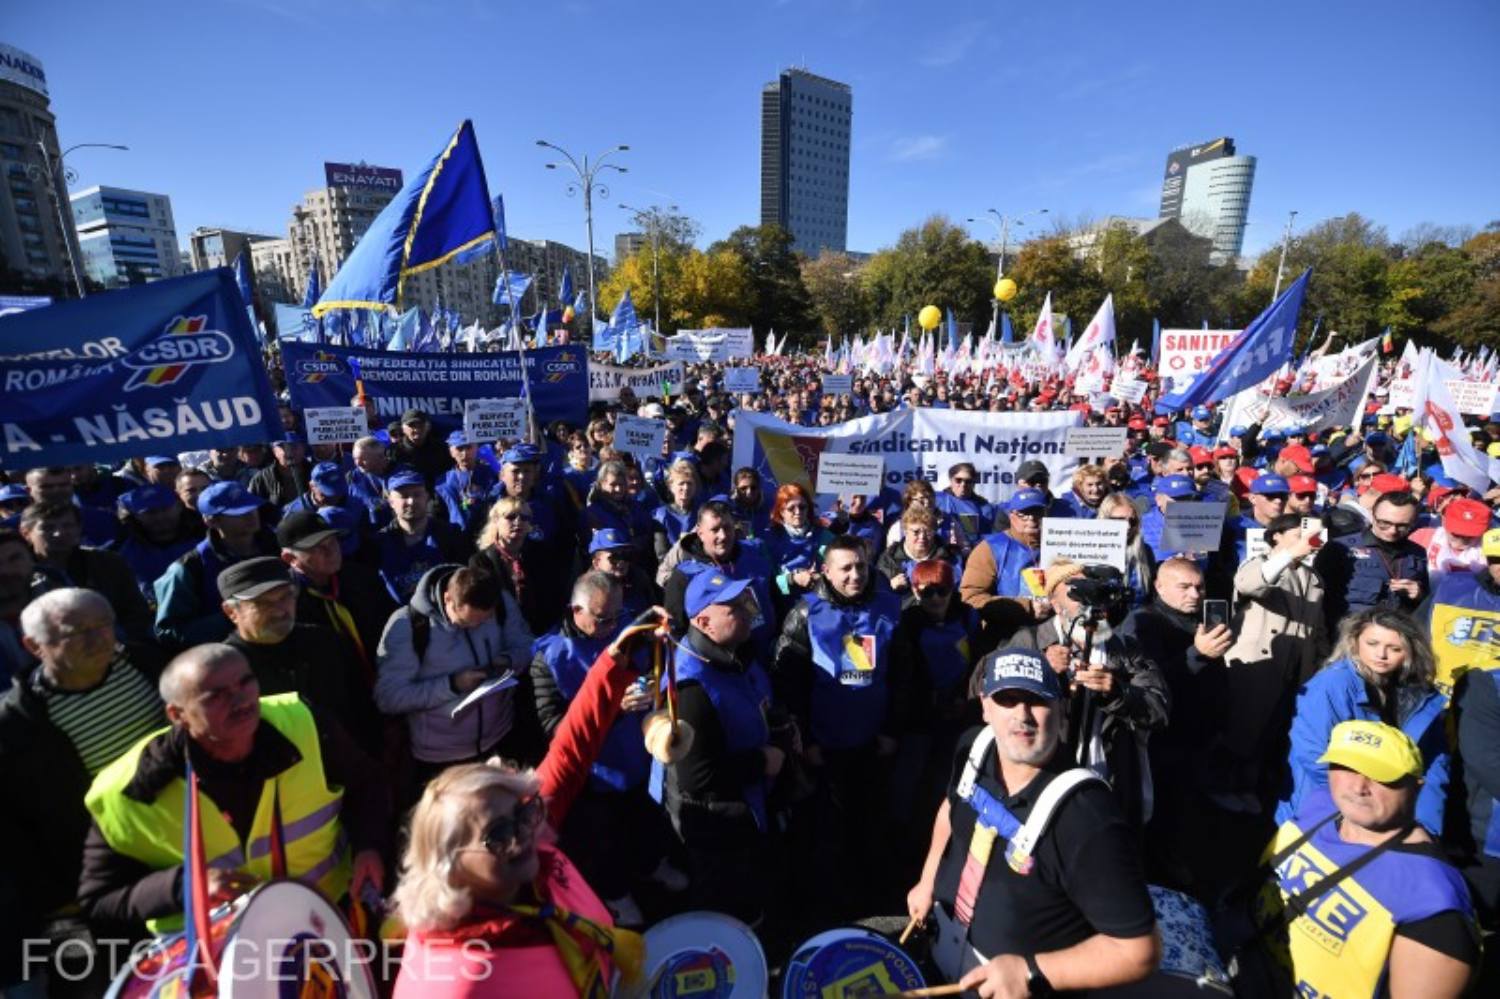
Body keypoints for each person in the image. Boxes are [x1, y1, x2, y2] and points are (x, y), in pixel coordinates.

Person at [389, 611, 668, 997]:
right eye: (497, 834)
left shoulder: (528, 845)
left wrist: (613, 662)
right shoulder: (454, 977)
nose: (523, 833)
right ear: (447, 862)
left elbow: (571, 751)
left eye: (524, 812)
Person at [78, 644, 389, 930]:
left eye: (246, 682)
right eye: (216, 695)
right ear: (177, 714)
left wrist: (369, 846)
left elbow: (368, 785)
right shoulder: (126, 790)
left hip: (327, 918)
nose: (241, 700)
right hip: (223, 954)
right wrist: (186, 887)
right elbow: (99, 898)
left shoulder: (305, 723)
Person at [905, 647, 1159, 992]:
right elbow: (951, 808)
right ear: (984, 705)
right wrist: (927, 880)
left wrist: (1031, 971)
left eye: (1036, 701)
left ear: (1060, 708)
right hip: (942, 955)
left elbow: (1138, 950)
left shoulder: (1088, 817)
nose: (1021, 715)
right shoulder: (973, 749)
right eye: (1007, 699)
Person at [1238, 720, 1478, 998]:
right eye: (1347, 766)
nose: (1359, 786)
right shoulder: (1320, 806)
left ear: (1417, 786)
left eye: (1382, 776)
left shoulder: (1433, 903)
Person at [0, 589, 165, 989]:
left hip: (180, 851)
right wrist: (56, 901)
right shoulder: (15, 725)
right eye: (78, 632)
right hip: (94, 885)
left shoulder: (153, 668)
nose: (99, 639)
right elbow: (13, 830)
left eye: (104, 625)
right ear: (33, 646)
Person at [530, 571, 681, 926]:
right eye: (602, 618)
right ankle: (615, 894)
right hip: (593, 775)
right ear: (575, 610)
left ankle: (651, 866)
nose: (611, 625)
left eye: (617, 615)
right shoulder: (549, 656)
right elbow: (554, 728)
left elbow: (655, 670)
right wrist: (615, 710)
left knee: (644, 821)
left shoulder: (629, 631)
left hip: (637, 757)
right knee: (602, 841)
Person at [773, 534, 909, 920]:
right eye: (845, 568)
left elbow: (903, 676)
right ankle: (828, 909)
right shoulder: (804, 613)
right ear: (827, 572)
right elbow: (789, 685)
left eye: (861, 567)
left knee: (870, 824)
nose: (854, 575)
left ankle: (873, 898)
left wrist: (892, 732)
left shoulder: (889, 608)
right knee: (825, 832)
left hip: (872, 742)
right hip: (824, 747)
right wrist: (807, 742)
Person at [656, 570, 784, 924]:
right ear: (704, 621)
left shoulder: (733, 656)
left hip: (741, 811)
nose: (746, 610)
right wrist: (762, 761)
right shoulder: (691, 686)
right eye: (733, 607)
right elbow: (698, 776)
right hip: (715, 826)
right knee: (726, 914)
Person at [1005, 560, 1170, 829]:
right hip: (1041, 777)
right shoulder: (1029, 642)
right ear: (1056, 605)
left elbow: (1159, 709)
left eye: (1096, 591)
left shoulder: (1125, 648)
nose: (1092, 602)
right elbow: (991, 701)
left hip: (1107, 779)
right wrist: (1040, 670)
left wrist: (1118, 693)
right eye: (1077, 593)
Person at [1280, 609, 1449, 835]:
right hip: (1327, 813)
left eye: (1395, 648)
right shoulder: (1332, 685)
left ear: (1411, 652)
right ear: (1355, 641)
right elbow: (1313, 755)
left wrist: (1426, 829)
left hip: (1392, 812)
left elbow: (1432, 766)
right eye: (1372, 643)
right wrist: (1365, 808)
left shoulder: (1422, 695)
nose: (1381, 654)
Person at [374, 564, 534, 787]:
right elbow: (389, 698)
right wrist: (452, 685)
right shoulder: (407, 627)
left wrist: (508, 661)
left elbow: (527, 647)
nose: (475, 627)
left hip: (500, 738)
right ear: (448, 599)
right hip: (441, 758)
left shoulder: (501, 603)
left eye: (483, 622)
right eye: (466, 622)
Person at [219, 557, 382, 755]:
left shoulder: (328, 643)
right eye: (264, 602)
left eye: (286, 596)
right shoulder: (223, 672)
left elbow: (364, 709)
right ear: (231, 612)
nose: (280, 610)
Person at [153, 481, 279, 650]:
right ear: (211, 520)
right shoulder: (189, 568)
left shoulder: (278, 546)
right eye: (237, 512)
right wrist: (235, 615)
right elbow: (169, 632)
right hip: (232, 658)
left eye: (251, 506)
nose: (250, 515)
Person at [277, 510, 396, 687]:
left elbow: (392, 623)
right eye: (317, 547)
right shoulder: (285, 604)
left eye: (332, 541)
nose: (330, 551)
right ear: (290, 558)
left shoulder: (361, 578)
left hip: (387, 681)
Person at [20, 502, 154, 643]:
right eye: (47, 528)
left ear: (79, 529)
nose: (59, 533)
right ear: (26, 533)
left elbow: (136, 612)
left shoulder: (108, 563)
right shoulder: (17, 574)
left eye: (68, 526)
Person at [1318, 490, 1429, 629]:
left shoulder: (1418, 553)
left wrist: (1419, 595)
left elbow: (1425, 604)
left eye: (1403, 526)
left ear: (1414, 522)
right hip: (1349, 637)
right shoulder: (1340, 548)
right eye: (1384, 523)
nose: (1392, 531)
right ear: (1372, 515)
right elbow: (1318, 598)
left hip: (1396, 635)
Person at [470, 496, 566, 637]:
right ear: (496, 520)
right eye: (510, 516)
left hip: (540, 634)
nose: (518, 522)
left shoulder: (542, 556)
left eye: (524, 517)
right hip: (500, 634)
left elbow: (552, 597)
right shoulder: (481, 561)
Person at [375, 469, 474, 603]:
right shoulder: (379, 543)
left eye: (417, 494)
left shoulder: (450, 535)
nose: (411, 501)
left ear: (427, 497)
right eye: (403, 496)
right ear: (391, 502)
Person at [112, 485, 200, 608]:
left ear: (179, 507)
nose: (160, 517)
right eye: (150, 513)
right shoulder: (126, 553)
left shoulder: (203, 540)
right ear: (136, 516)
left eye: (166, 509)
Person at [765, 481, 836, 606]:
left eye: (802, 507)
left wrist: (820, 578)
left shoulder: (824, 536)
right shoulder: (769, 539)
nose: (798, 512)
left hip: (819, 603)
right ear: (781, 512)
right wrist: (792, 579)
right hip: (784, 607)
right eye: (791, 508)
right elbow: (766, 581)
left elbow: (836, 571)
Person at [876, 506, 961, 598]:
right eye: (916, 532)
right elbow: (876, 596)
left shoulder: (949, 557)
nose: (922, 537)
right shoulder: (889, 559)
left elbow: (957, 592)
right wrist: (889, 587)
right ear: (905, 531)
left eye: (928, 532)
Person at [586, 528, 660, 621]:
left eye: (625, 555)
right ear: (597, 563)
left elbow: (654, 613)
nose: (621, 562)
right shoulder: (586, 593)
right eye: (614, 557)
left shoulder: (639, 579)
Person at [435, 430, 497, 538]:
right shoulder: (443, 482)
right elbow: (438, 514)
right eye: (459, 448)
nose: (465, 453)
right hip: (456, 537)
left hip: (487, 534)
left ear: (476, 447)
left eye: (469, 447)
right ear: (451, 452)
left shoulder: (491, 475)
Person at [934, 462, 1000, 553]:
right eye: (958, 480)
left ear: (974, 483)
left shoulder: (983, 507)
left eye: (968, 481)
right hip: (936, 553)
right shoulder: (935, 500)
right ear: (951, 480)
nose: (963, 484)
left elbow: (985, 539)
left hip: (967, 556)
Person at [651, 459, 701, 561]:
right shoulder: (661, 515)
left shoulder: (702, 512)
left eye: (689, 483)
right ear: (671, 486)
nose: (686, 488)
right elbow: (661, 554)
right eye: (681, 483)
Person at [247, 432, 312, 510]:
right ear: (274, 452)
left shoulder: (315, 474)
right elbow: (252, 509)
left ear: (303, 448)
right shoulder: (261, 479)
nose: (289, 452)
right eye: (283, 447)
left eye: (294, 447)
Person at [389, 408, 453, 487]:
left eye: (421, 425)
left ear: (428, 426)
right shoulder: (394, 451)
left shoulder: (443, 449)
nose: (417, 429)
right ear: (403, 429)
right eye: (411, 425)